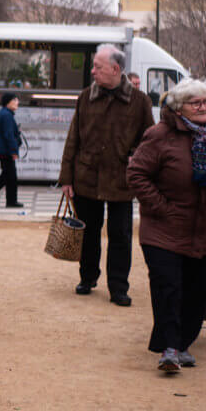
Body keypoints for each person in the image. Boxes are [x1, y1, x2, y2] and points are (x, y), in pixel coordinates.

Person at [126, 78, 206, 372]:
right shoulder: (159, 135)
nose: (204, 107)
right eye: (195, 102)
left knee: (198, 290)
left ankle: (184, 342)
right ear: (178, 107)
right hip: (165, 229)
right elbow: (136, 175)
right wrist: (162, 208)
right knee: (168, 287)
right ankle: (170, 348)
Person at [59, 44, 154, 306]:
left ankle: (118, 287)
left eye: (97, 67)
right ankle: (87, 277)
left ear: (115, 69)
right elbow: (73, 139)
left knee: (121, 235)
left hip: (121, 179)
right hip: (86, 177)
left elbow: (150, 140)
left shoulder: (140, 101)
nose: (92, 72)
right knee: (88, 232)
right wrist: (66, 178)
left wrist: (137, 155)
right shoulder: (85, 97)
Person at [0, 92, 22, 208]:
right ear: (8, 102)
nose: (17, 102)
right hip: (5, 151)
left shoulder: (5, 114)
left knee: (9, 176)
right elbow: (8, 135)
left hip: (3, 150)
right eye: (15, 100)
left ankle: (11, 201)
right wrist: (14, 150)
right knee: (8, 176)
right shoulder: (6, 115)